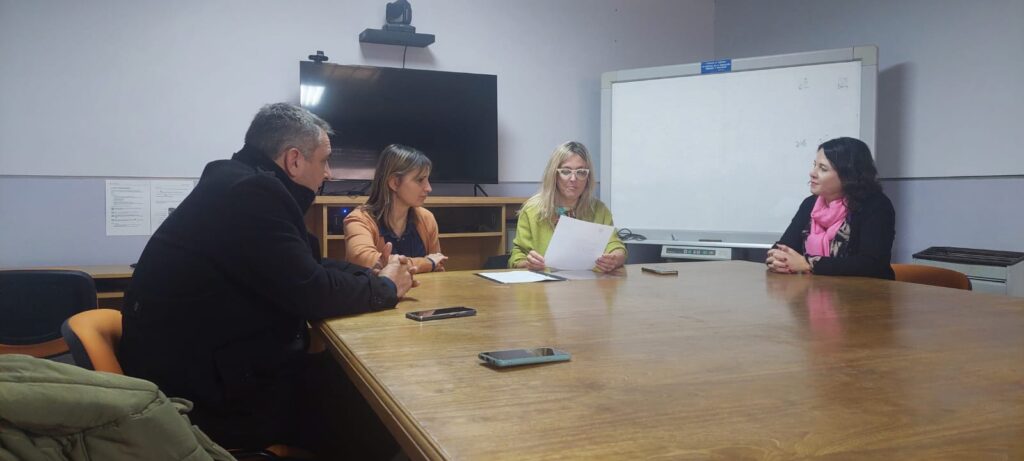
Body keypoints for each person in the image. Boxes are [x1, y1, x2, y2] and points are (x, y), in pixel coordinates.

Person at [118, 103, 417, 451]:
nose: (329, 174)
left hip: (202, 368)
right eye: (324, 161)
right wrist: (385, 288)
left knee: (353, 384)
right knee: (380, 412)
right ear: (294, 160)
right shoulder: (253, 195)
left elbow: (308, 265)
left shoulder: (238, 183)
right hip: (207, 399)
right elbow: (312, 292)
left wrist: (372, 274)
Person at [766, 137, 895, 279]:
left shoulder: (875, 206)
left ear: (848, 175)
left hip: (865, 295)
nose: (812, 173)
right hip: (814, 292)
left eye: (823, 168)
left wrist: (809, 264)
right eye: (814, 165)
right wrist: (777, 258)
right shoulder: (810, 204)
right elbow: (785, 246)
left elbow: (871, 264)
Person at [509, 141, 627, 272]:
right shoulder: (532, 210)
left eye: (581, 172)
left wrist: (614, 259)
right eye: (566, 171)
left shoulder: (599, 210)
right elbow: (517, 255)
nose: (573, 179)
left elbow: (615, 245)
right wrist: (528, 264)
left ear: (588, 177)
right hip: (545, 286)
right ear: (554, 175)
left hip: (589, 286)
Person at [344, 144, 448, 273]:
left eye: (427, 180)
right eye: (420, 180)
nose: (428, 188)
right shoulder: (359, 219)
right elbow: (365, 260)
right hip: (378, 293)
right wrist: (427, 262)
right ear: (394, 183)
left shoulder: (427, 218)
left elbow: (438, 267)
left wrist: (432, 263)